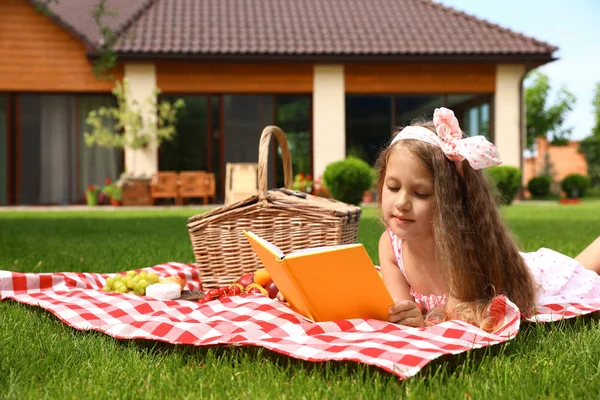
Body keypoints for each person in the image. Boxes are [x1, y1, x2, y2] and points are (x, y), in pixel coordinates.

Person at [377, 107, 600, 330]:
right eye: (393, 187)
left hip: (542, 280)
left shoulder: (459, 248)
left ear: (451, 203)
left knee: (580, 277)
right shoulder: (390, 246)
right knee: (583, 266)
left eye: (420, 194)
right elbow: (400, 307)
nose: (401, 203)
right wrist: (406, 315)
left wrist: (426, 323)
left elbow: (455, 320)